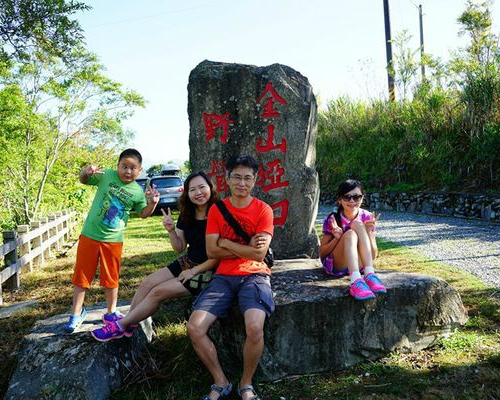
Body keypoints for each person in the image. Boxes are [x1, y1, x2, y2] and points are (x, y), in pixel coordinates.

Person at [90, 171, 220, 341]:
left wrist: (194, 271)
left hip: (208, 271)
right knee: (147, 283)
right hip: (188, 261)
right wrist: (171, 230)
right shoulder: (187, 213)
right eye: (192, 189)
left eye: (202, 187)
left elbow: (219, 254)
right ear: (187, 193)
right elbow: (179, 248)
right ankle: (130, 323)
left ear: (210, 188)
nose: (198, 193)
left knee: (158, 291)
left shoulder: (219, 213)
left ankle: (120, 326)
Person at [187, 155, 274, 400]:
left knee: (255, 326)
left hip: (255, 275)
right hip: (223, 276)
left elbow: (259, 253)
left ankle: (246, 384)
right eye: (237, 177)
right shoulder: (217, 209)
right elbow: (211, 250)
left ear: (255, 181)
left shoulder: (263, 210)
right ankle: (220, 381)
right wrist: (241, 246)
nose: (242, 183)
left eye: (247, 178)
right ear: (227, 179)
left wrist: (225, 242)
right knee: (195, 327)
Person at [64, 148, 160, 333]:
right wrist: (85, 172)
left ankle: (111, 312)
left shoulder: (137, 192)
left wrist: (152, 203)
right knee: (82, 277)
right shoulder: (106, 175)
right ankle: (76, 313)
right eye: (124, 166)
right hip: (90, 235)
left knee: (111, 278)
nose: (128, 171)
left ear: (140, 170)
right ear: (117, 166)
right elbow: (83, 180)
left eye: (133, 168)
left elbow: (143, 214)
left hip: (113, 241)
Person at [319, 179, 386, 301]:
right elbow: (322, 253)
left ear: (362, 198)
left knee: (357, 224)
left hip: (360, 263)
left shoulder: (367, 216)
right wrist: (337, 239)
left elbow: (373, 255)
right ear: (339, 200)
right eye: (347, 197)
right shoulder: (333, 219)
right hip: (337, 264)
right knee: (350, 234)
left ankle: (369, 274)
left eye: (356, 197)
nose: (352, 201)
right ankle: (355, 281)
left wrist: (368, 232)